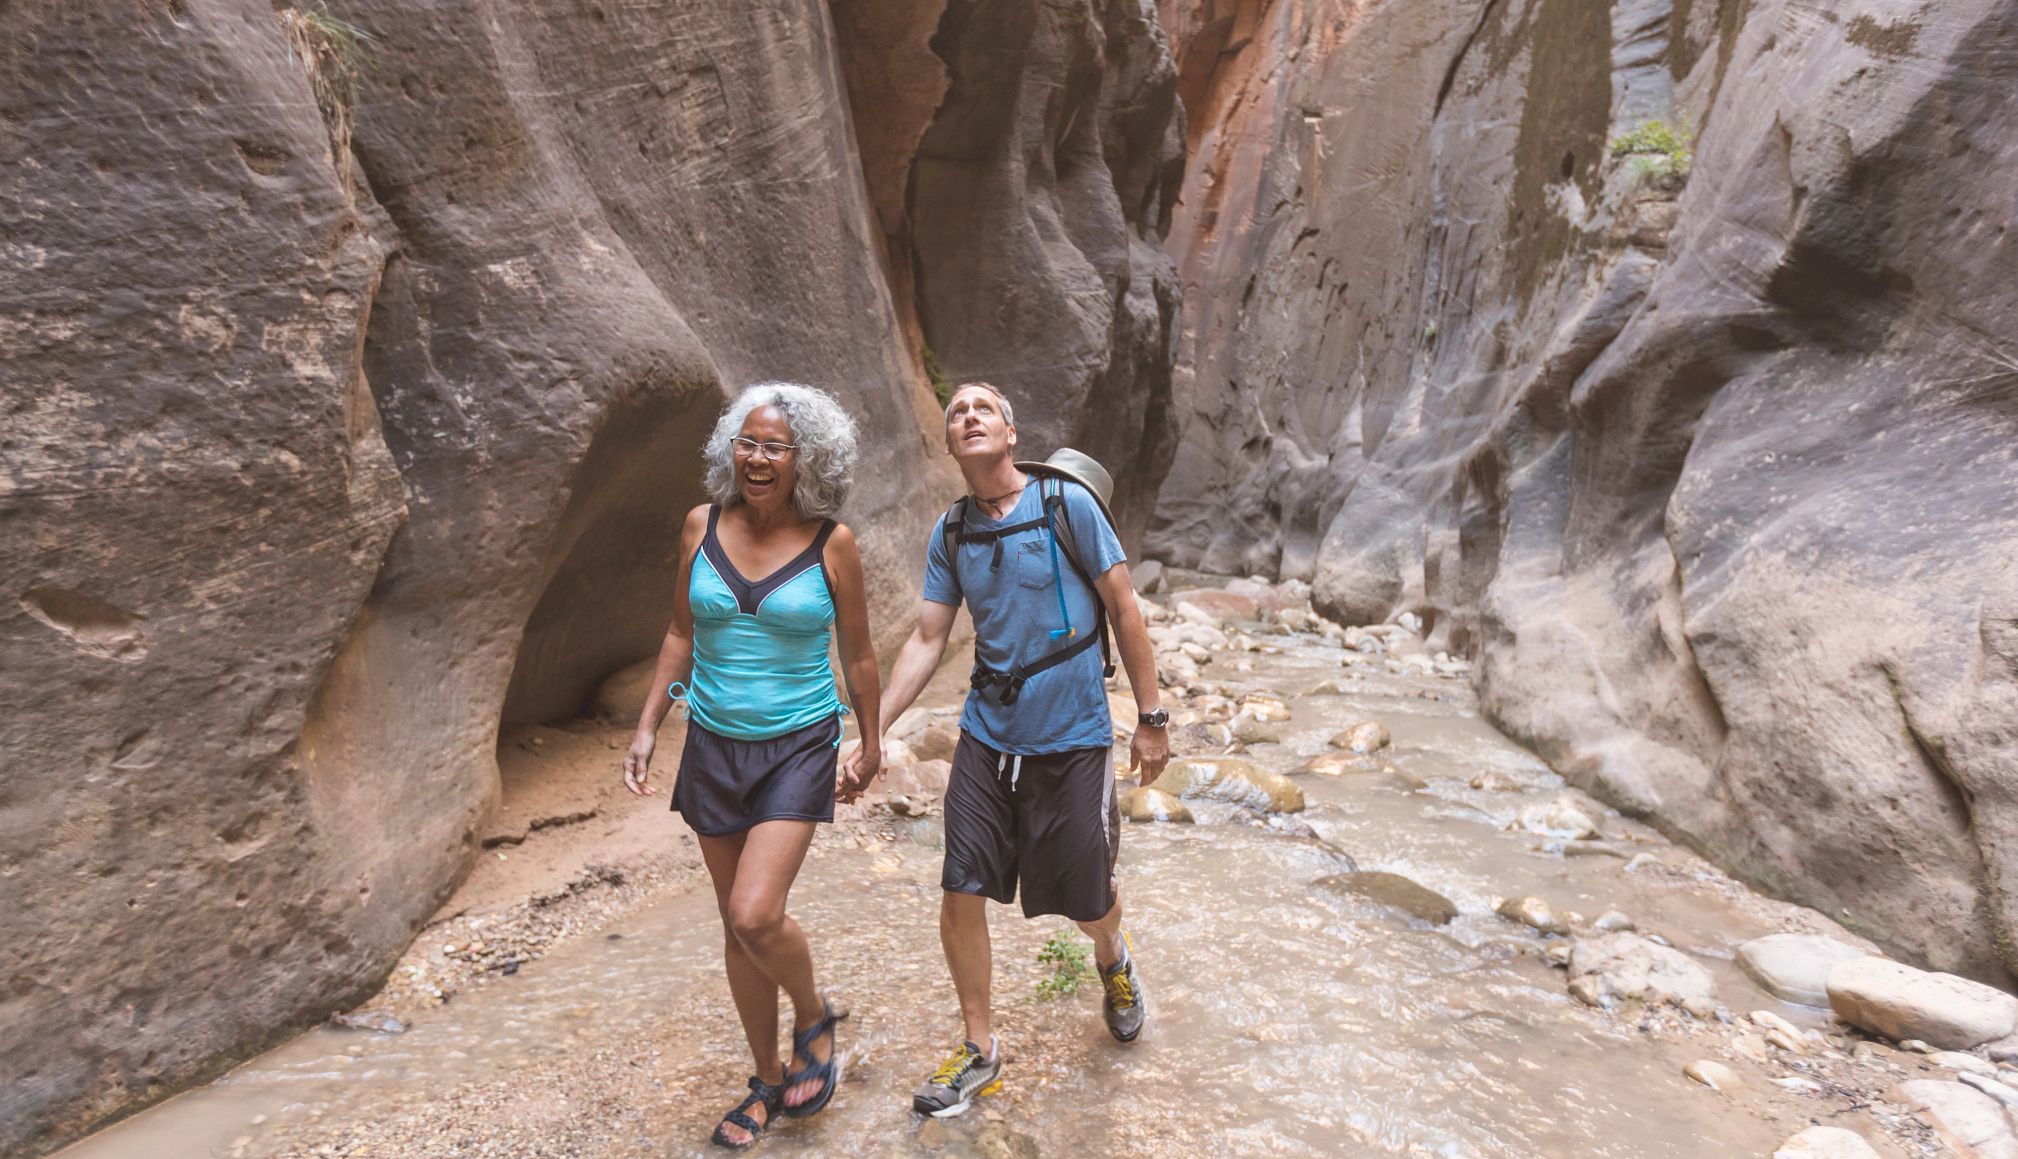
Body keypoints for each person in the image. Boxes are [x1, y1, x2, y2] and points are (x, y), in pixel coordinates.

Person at [842, 382, 1170, 1119]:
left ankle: (1112, 959)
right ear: (951, 442)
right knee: (961, 886)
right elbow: (928, 637)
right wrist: (874, 732)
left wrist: (1151, 716)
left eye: (980, 408)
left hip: (1075, 734)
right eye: (956, 413)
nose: (966, 418)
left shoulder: (1066, 506)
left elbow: (1124, 606)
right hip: (988, 735)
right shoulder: (952, 532)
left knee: (1089, 900)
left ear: (1010, 433)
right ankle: (979, 1049)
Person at [623, 382, 882, 1149]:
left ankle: (813, 1012)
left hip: (798, 744)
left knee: (754, 913)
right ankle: (766, 1079)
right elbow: (678, 631)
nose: (757, 458)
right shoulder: (699, 525)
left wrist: (871, 741)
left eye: (774, 447)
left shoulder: (831, 542)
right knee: (735, 931)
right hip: (712, 744)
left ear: (807, 459)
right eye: (747, 443)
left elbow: (859, 652)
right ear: (727, 449)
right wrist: (648, 725)